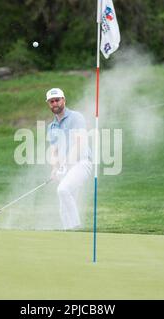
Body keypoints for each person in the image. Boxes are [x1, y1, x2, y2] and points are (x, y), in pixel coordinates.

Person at [45, 88, 92, 230]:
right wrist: (54, 168)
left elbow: (80, 143)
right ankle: (69, 233)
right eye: (51, 101)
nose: (55, 103)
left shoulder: (76, 117)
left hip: (82, 163)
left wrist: (66, 164)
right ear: (48, 104)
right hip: (66, 168)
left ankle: (76, 226)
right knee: (63, 206)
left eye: (57, 100)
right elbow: (54, 152)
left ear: (64, 100)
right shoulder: (51, 127)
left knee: (63, 190)